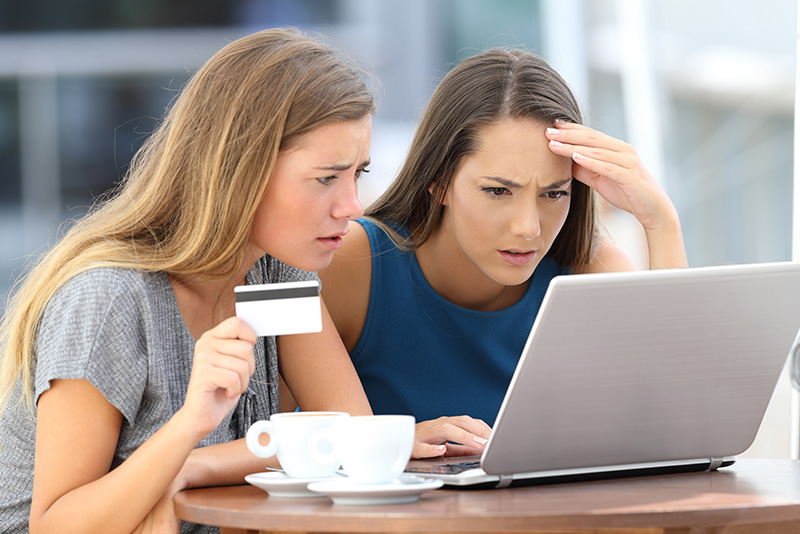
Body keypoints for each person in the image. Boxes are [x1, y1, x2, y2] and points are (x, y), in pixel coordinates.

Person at [0, 28, 375, 534]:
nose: (352, 206)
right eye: (327, 178)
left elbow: (349, 434)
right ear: (241, 170)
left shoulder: (276, 272)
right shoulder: (108, 298)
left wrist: (192, 467)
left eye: (359, 174)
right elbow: (55, 527)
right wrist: (189, 427)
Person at [319, 48, 688, 459]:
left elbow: (678, 432)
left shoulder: (590, 272)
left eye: (553, 194)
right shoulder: (353, 264)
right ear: (439, 181)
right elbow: (271, 448)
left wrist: (661, 223)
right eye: (498, 191)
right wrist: (390, 445)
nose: (528, 227)